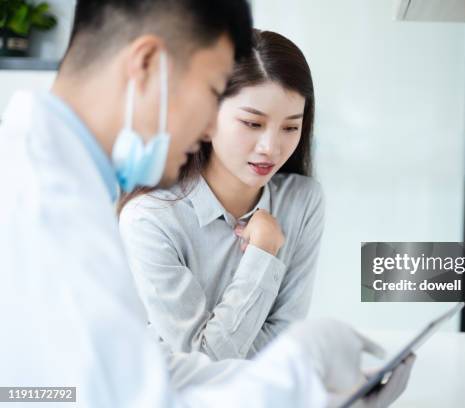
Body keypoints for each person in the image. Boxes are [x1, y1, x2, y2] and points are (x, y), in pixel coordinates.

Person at [0, 1, 414, 407]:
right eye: (213, 92)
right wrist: (297, 376)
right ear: (146, 64)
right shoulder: (46, 205)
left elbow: (148, 370)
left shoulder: (65, 182)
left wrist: (304, 379)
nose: (204, 130)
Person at [118, 29, 323, 361]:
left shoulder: (302, 201)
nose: (271, 148)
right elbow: (203, 359)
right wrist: (263, 252)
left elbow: (286, 337)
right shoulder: (149, 218)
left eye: (290, 127)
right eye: (252, 124)